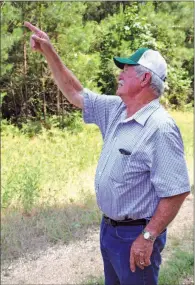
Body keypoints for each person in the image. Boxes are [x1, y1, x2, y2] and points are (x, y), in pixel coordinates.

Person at [24, 21, 190, 285]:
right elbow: (76, 92)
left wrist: (148, 237)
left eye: (126, 69)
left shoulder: (160, 128)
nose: (119, 75)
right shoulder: (116, 109)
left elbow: (177, 190)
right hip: (109, 230)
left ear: (145, 78)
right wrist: (49, 52)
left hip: (136, 234)